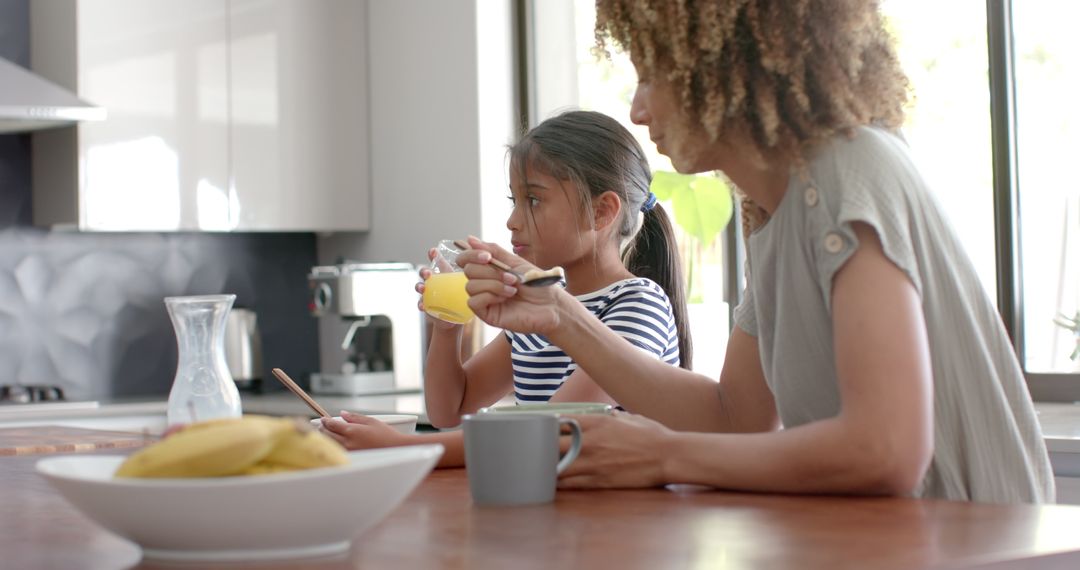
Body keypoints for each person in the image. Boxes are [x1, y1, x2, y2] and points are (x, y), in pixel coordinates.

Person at [454, 0, 1054, 503]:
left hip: (975, 543)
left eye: (650, 76)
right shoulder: (767, 212)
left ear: (721, 64)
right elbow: (733, 417)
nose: (638, 110)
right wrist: (559, 314)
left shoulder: (848, 169)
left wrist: (663, 455)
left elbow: (886, 448)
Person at [319, 110, 691, 468]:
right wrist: (448, 327)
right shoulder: (539, 309)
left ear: (601, 212)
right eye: (514, 200)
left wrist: (404, 446)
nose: (512, 221)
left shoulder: (637, 303)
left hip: (622, 517)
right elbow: (450, 409)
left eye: (533, 200)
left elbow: (550, 429)